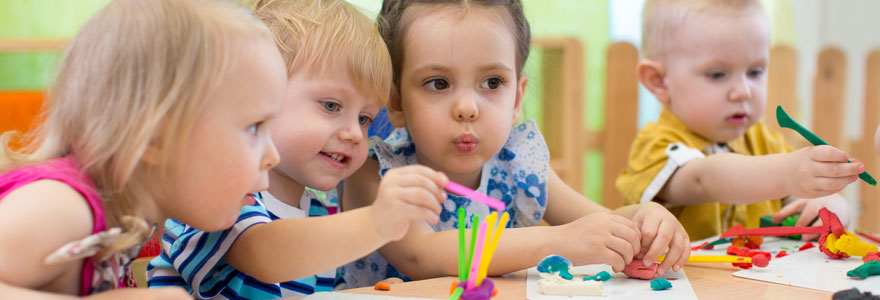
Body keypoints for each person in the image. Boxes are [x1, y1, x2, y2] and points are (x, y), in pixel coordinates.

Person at [340, 0, 692, 288]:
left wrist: (645, 221)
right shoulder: (375, 174)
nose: (467, 108)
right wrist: (558, 241)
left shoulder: (519, 164)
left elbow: (600, 221)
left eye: (492, 82)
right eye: (438, 83)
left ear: (517, 98)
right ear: (397, 101)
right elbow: (423, 256)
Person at [146, 0, 448, 298]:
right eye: (331, 106)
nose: (355, 134)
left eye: (364, 118)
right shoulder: (220, 197)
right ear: (259, 97)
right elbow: (266, 256)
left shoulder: (320, 212)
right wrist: (375, 221)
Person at [0, 0, 284, 297]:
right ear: (154, 136)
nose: (273, 156)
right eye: (255, 127)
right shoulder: (61, 207)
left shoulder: (128, 221)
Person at [616, 0, 860, 241]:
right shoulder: (655, 145)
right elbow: (703, 180)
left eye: (755, 72)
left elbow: (798, 197)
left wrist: (829, 204)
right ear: (659, 80)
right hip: (676, 279)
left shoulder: (765, 143)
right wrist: (787, 173)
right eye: (718, 74)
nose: (743, 91)